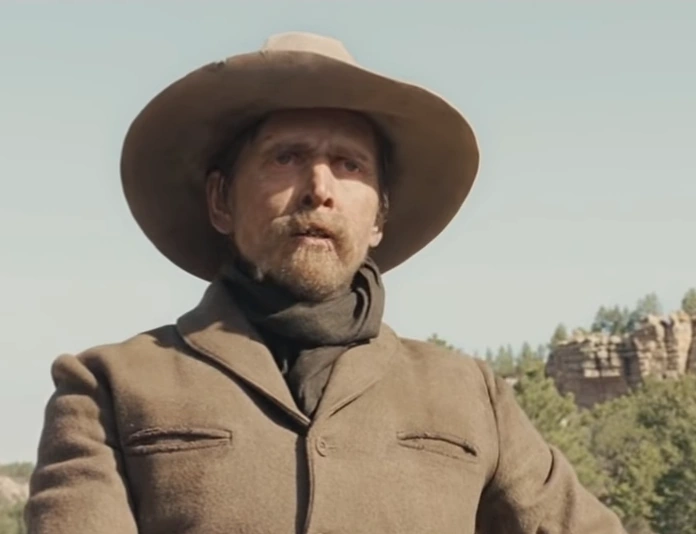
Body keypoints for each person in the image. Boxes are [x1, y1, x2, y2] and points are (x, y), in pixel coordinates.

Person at [25, 32, 627, 534]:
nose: (320, 188)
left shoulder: (470, 394)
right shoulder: (109, 386)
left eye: (349, 164)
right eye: (285, 157)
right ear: (221, 201)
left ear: (379, 218)